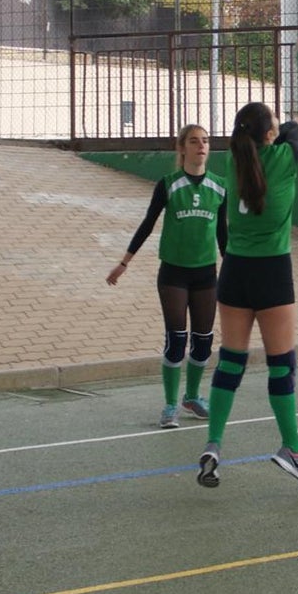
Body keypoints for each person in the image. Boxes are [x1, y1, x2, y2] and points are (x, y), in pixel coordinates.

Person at [196, 102, 298, 488]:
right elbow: (297, 131)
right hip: (272, 273)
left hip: (234, 271)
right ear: (270, 135)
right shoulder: (284, 158)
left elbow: (285, 129)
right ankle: (292, 449)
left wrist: (289, 126)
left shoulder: (236, 163)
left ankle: (214, 443)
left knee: (230, 363)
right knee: (282, 366)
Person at [107, 124, 228, 429]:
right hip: (174, 273)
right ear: (182, 148)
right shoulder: (169, 184)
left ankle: (192, 396)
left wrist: (234, 271)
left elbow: (224, 235)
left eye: (205, 141)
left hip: (205, 274)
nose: (201, 146)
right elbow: (148, 223)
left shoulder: (220, 187)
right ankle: (171, 404)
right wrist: (124, 263)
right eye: (194, 141)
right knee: (177, 339)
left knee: (203, 342)